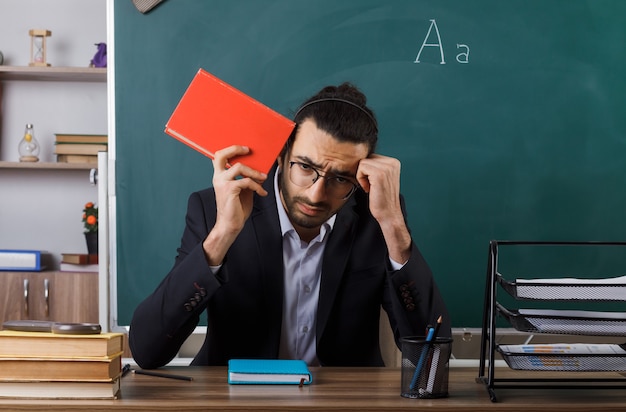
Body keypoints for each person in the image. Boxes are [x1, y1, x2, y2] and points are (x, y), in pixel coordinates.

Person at [129, 82, 450, 368]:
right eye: (305, 167)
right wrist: (221, 236)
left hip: (342, 406)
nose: (316, 193)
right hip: (234, 404)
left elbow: (432, 359)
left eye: (340, 178)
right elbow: (147, 350)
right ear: (282, 156)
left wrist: (393, 225)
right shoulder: (214, 208)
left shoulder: (378, 216)